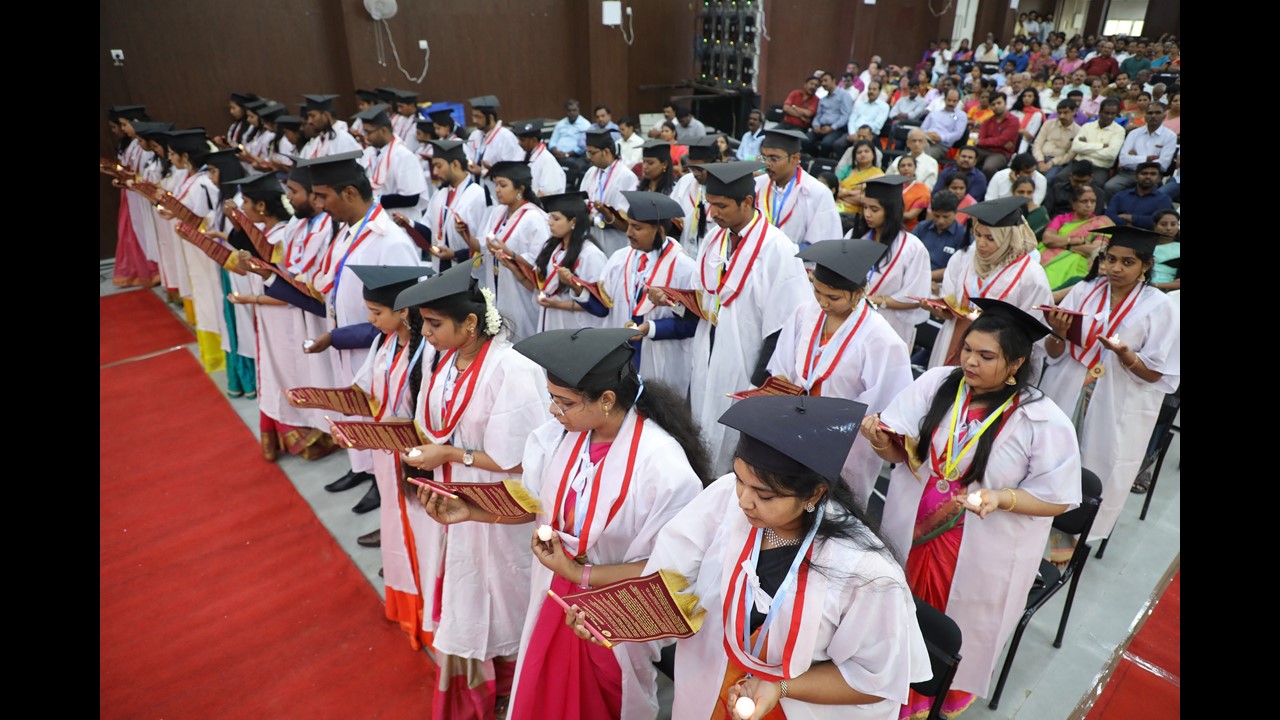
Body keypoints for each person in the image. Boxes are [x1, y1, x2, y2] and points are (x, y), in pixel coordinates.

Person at [555, 394, 931, 719]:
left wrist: (779, 687)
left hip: (794, 706)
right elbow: (671, 574)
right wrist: (617, 618)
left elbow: (875, 680)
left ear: (815, 494)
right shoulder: (727, 498)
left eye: (765, 495)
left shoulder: (865, 572)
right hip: (710, 684)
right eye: (739, 479)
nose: (744, 501)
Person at [863, 298, 1080, 718]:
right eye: (967, 349)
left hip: (981, 541)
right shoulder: (938, 384)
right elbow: (901, 452)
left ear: (1015, 363)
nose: (970, 362)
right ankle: (889, 677)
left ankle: (939, 693)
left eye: (986, 356)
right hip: (915, 528)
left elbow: (1056, 497)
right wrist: (879, 441)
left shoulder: (1041, 419)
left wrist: (1002, 498)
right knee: (901, 607)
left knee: (958, 620)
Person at [499, 327, 709, 720]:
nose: (553, 411)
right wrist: (471, 509)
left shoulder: (663, 467)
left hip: (612, 612)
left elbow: (670, 572)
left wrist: (580, 573)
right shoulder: (561, 437)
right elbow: (535, 502)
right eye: (552, 399)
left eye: (565, 403)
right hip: (555, 596)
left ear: (607, 400)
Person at [394, 262, 552, 719]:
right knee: (466, 588)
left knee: (505, 590)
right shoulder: (446, 360)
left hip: (497, 502)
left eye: (434, 323)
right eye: (423, 323)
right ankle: (481, 690)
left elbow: (520, 457)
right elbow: (434, 424)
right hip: (454, 496)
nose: (425, 333)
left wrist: (448, 454)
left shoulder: (512, 368)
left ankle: (517, 688)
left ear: (469, 323)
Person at [1038, 227, 1179, 546]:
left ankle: (1070, 541)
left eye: (1127, 262)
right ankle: (1032, 515)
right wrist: (1058, 332)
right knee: (1050, 456)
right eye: (1111, 259)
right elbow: (1053, 352)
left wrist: (1126, 355)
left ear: (1145, 265)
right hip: (1068, 386)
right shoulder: (1085, 290)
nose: (1115, 268)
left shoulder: (1160, 307)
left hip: (1117, 400)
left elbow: (1158, 374)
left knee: (1095, 467)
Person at [299, 150, 423, 508]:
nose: (318, 204)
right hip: (351, 344)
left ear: (350, 193)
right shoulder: (347, 232)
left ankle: (380, 481)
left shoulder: (390, 240)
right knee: (357, 411)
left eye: (323, 196)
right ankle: (363, 468)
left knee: (381, 413)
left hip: (377, 347)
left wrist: (337, 336)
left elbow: (408, 311)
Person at [671, 161, 811, 474]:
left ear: (747, 202)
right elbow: (704, 294)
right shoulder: (714, 239)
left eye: (721, 206)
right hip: (708, 349)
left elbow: (787, 325)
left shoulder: (777, 249)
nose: (712, 214)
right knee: (701, 427)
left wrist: (758, 383)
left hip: (747, 360)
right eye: (710, 204)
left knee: (738, 448)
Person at [768, 239, 913, 510]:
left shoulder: (881, 339)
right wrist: (783, 386)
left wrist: (836, 419)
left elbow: (887, 404)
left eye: (833, 297)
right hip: (795, 427)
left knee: (831, 511)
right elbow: (783, 366)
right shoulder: (804, 314)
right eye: (817, 291)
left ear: (858, 293)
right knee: (788, 504)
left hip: (844, 443)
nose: (823, 302)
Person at [339, 265, 431, 639]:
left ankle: (426, 611)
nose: (370, 320)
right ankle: (404, 601)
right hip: (384, 449)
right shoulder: (385, 343)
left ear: (404, 311)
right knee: (394, 523)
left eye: (376, 312)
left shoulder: (427, 352)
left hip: (416, 457)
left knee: (421, 531)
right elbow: (365, 390)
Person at [925, 195, 1053, 380]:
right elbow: (950, 298)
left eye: (990, 238)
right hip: (956, 340)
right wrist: (942, 310)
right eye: (977, 235)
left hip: (997, 353)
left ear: (1008, 238)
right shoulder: (965, 257)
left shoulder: (1031, 275)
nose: (981, 243)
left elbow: (1033, 329)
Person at [458, 161, 548, 343]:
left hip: (520, 290)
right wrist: (465, 235)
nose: (497, 190)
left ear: (520, 189)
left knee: (522, 336)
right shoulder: (498, 212)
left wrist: (511, 254)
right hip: (497, 284)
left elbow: (540, 262)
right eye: (496, 184)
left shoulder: (534, 218)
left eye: (503, 185)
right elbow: (484, 246)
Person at [853, 176, 931, 349]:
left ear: (890, 211)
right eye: (865, 207)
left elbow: (915, 297)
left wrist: (877, 300)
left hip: (889, 324)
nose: (867, 214)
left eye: (874, 209)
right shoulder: (856, 236)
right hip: (853, 317)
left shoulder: (912, 247)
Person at [521, 191, 608, 333]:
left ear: (573, 221)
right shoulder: (553, 249)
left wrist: (559, 304)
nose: (550, 223)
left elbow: (599, 303)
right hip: (550, 319)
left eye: (556, 218)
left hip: (574, 326)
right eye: (550, 217)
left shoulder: (590, 255)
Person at [399, 139, 485, 274]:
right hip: (440, 271)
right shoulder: (440, 195)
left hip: (469, 275)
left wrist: (455, 255)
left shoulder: (478, 196)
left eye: (439, 166)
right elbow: (430, 232)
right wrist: (409, 223)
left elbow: (485, 246)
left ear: (455, 164)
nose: (435, 172)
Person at [754, 128, 844, 249]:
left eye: (774, 159)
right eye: (764, 158)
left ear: (795, 158)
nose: (767, 164)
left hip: (797, 260)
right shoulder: (756, 185)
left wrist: (782, 252)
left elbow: (825, 246)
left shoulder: (818, 193)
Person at [1040, 184, 1112, 295]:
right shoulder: (1061, 219)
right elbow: (1047, 239)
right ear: (1073, 204)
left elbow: (1095, 249)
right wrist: (1075, 241)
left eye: (1093, 201)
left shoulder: (1101, 223)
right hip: (1047, 256)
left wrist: (1064, 244)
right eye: (1084, 201)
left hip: (1078, 262)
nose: (1089, 205)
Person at [355, 104, 427, 214]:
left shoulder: (404, 156)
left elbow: (412, 197)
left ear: (383, 130)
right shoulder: (369, 153)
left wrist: (373, 201)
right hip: (378, 216)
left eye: (369, 132)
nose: (366, 137)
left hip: (400, 218)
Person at [579, 127, 640, 256]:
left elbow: (625, 220)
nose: (589, 157)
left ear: (606, 152)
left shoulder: (626, 176)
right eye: (587, 153)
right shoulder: (591, 173)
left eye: (592, 153)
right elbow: (582, 201)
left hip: (615, 241)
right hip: (592, 239)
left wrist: (596, 219)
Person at [465, 95, 525, 206]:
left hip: (497, 195)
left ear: (490, 117)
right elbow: (468, 156)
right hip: (477, 192)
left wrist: (485, 171)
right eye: (473, 116)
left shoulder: (506, 137)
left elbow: (513, 170)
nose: (474, 121)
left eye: (478, 117)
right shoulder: (474, 135)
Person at [1105, 104, 1177, 195]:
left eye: (1157, 113)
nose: (1153, 116)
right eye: (1150, 113)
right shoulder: (1134, 133)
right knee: (1110, 186)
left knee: (1150, 192)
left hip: (1151, 175)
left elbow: (1163, 165)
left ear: (1164, 116)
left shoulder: (1170, 136)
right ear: (1145, 116)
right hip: (1128, 173)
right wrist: (1148, 159)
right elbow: (1123, 160)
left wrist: (1134, 158)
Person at [672, 136, 721, 253]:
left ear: (716, 164)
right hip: (685, 252)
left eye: (700, 169)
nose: (695, 173)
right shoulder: (685, 182)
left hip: (713, 255)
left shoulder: (727, 187)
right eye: (692, 168)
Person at [914, 191, 969, 286]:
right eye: (936, 216)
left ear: (956, 213)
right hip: (915, 278)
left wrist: (926, 277)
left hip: (944, 284)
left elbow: (959, 268)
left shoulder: (963, 235)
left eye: (946, 217)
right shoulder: (921, 228)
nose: (940, 221)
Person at [1070, 98, 1126, 187]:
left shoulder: (1119, 130)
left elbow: (1111, 155)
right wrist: (1102, 146)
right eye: (1106, 113)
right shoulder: (1087, 126)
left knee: (1095, 185)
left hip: (1100, 167)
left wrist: (1085, 148)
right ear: (1100, 112)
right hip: (1079, 163)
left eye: (1113, 114)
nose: (1109, 116)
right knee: (1059, 179)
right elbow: (1076, 147)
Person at [1104, 162, 1173, 229]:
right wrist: (1126, 225)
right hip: (1119, 233)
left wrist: (1130, 217)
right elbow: (1108, 216)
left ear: (1159, 179)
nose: (1148, 177)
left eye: (1153, 174)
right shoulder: (1120, 196)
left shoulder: (1164, 199)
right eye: (1144, 173)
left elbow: (1158, 221)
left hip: (1148, 235)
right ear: (1136, 177)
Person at [833, 80, 890, 161]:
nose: (871, 91)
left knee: (858, 145)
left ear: (879, 92)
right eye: (869, 89)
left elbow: (878, 125)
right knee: (838, 144)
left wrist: (861, 134)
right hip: (854, 132)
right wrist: (852, 133)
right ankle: (846, 164)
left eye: (874, 89)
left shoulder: (884, 106)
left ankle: (857, 164)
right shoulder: (861, 104)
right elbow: (852, 120)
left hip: (870, 135)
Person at [512, 120, 567, 197]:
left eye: (522, 140)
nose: (519, 143)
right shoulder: (521, 154)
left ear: (534, 140)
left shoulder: (547, 159)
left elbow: (548, 192)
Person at [296, 94, 362, 159]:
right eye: (308, 117)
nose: (309, 121)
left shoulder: (343, 139)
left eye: (313, 116)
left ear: (325, 115)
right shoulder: (318, 141)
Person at [805, 71, 853, 158]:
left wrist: (832, 128)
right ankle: (815, 158)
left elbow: (845, 116)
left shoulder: (844, 95)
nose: (823, 83)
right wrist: (816, 125)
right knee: (805, 140)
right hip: (821, 127)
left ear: (833, 81)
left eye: (826, 80)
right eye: (822, 81)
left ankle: (820, 161)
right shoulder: (823, 99)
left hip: (836, 128)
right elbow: (818, 115)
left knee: (826, 144)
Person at [1032, 99, 1080, 181]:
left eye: (1065, 112)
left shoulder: (1078, 131)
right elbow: (1037, 144)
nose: (1062, 116)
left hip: (1058, 162)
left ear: (1074, 111)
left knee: (1048, 179)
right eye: (1059, 113)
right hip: (1039, 157)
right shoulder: (1049, 123)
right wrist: (1040, 161)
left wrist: (1052, 162)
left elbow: (1070, 155)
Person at [1043, 159, 1109, 218]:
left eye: (1084, 182)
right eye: (1076, 181)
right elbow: (1046, 211)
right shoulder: (1057, 189)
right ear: (1070, 177)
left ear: (1091, 178)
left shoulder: (1099, 194)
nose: (1080, 185)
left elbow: (1095, 218)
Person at [974, 93, 1019, 178]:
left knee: (988, 168)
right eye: (993, 104)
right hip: (984, 150)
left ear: (1005, 103)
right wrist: (984, 142)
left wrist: (982, 142)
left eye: (999, 103)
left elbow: (1002, 140)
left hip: (1001, 153)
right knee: (966, 158)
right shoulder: (987, 121)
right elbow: (981, 139)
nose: (996, 106)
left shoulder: (1013, 121)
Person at [835, 140, 884, 216]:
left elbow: (866, 200)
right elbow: (833, 189)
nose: (863, 154)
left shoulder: (878, 174)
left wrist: (843, 194)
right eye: (859, 152)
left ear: (873, 154)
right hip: (836, 207)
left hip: (858, 214)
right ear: (854, 156)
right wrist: (850, 192)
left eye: (866, 151)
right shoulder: (847, 169)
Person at [920, 88, 968, 160]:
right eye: (949, 100)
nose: (951, 103)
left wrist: (941, 137)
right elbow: (923, 128)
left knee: (924, 156)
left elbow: (957, 134)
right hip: (925, 140)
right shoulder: (934, 113)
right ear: (944, 99)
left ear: (958, 101)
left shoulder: (960, 116)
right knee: (914, 137)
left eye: (954, 101)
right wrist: (928, 134)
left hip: (941, 145)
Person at [895, 155, 933, 232]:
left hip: (912, 230)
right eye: (902, 166)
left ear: (915, 168)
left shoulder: (922, 189)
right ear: (898, 169)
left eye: (909, 165)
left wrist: (887, 214)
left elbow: (910, 215)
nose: (906, 168)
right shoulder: (893, 186)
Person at [1149, 209, 1180, 292]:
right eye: (1163, 224)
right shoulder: (1143, 245)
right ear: (1155, 226)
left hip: (1168, 293)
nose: (1169, 228)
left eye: (1173, 224)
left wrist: (1154, 285)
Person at [1010, 88, 1044, 155]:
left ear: (1035, 98)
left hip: (1025, 142)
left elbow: (1030, 136)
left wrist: (1020, 131)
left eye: (1029, 96)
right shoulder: (1014, 112)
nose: (1026, 98)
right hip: (1010, 138)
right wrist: (1022, 131)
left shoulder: (1037, 114)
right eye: (1024, 96)